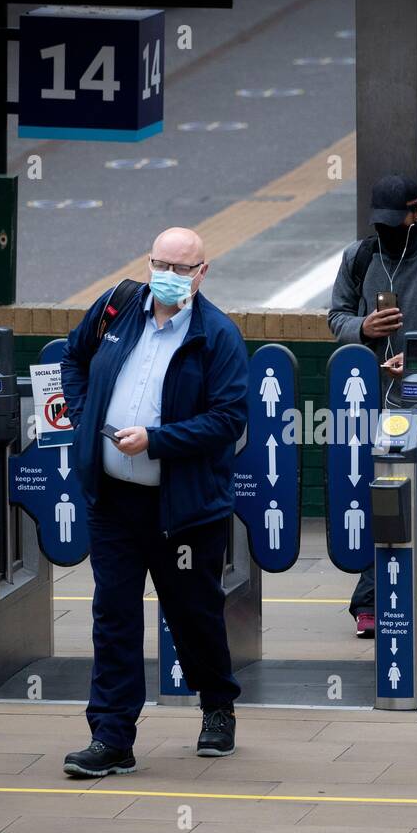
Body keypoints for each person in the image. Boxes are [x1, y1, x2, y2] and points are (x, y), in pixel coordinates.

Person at [59, 226, 249, 777]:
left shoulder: (217, 336)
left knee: (193, 615)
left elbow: (229, 418)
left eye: (182, 268)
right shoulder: (117, 309)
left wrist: (156, 440)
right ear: (148, 263)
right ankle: (112, 737)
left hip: (182, 509)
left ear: (202, 273)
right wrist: (82, 417)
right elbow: (72, 360)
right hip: (114, 502)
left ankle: (217, 705)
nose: (168, 275)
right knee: (113, 616)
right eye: (160, 263)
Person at [327, 172, 417, 638]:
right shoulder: (360, 256)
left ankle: (404, 587)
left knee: (416, 494)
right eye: (382, 223)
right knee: (379, 494)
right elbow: (336, 316)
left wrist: (411, 361)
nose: (390, 231)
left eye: (399, 221)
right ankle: (375, 595)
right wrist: (364, 329)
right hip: (368, 399)